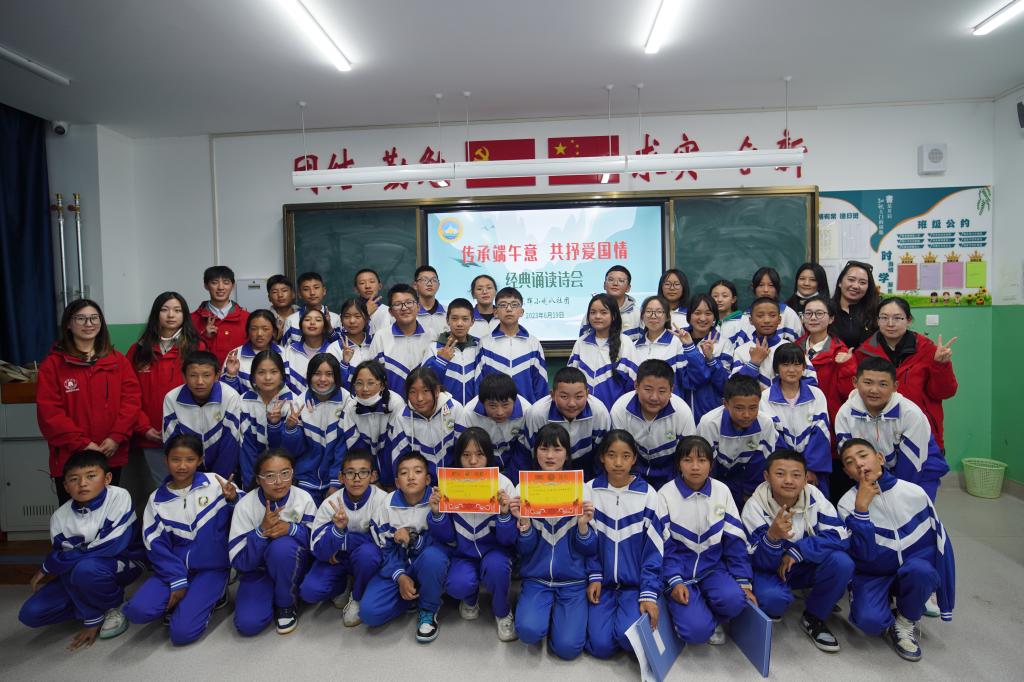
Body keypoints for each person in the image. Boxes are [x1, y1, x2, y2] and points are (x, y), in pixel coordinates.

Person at [836, 439, 955, 662]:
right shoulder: (846, 503)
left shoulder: (914, 493)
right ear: (847, 473)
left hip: (911, 568)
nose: (859, 464)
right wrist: (861, 510)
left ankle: (905, 621)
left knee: (923, 571)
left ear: (880, 458)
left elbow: (941, 547)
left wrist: (944, 599)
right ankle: (889, 609)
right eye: (850, 462)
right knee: (869, 622)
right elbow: (864, 556)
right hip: (873, 573)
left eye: (863, 455)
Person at [19, 450, 144, 649]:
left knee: (85, 569)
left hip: (126, 561)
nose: (82, 483)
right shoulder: (59, 517)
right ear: (65, 486)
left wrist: (52, 564)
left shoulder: (119, 496)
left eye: (91, 476)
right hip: (82, 570)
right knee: (30, 614)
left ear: (107, 478)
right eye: (74, 479)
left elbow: (111, 546)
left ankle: (114, 605)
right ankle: (96, 607)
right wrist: (90, 613)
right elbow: (66, 566)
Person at [121, 434, 238, 645]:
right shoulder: (156, 499)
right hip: (174, 568)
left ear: (200, 460)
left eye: (190, 459)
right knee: (137, 611)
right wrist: (177, 580)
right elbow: (155, 545)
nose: (182, 466)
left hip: (212, 567)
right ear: (166, 460)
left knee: (182, 634)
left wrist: (233, 499)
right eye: (175, 459)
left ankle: (217, 594)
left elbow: (247, 512)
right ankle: (184, 596)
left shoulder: (215, 482)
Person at [741, 449, 852, 652]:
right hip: (770, 570)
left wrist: (798, 551)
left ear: (806, 477)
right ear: (766, 476)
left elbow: (840, 536)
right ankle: (777, 603)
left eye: (796, 475)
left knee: (842, 562)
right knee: (773, 600)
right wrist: (772, 538)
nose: (789, 481)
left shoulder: (814, 495)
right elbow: (755, 561)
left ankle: (814, 616)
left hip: (804, 563)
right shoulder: (754, 506)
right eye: (780, 474)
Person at [37, 299, 142, 504]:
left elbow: (131, 402)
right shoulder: (53, 364)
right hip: (71, 457)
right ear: (68, 323)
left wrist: (116, 437)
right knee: (74, 515)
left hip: (109, 452)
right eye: (81, 318)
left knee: (109, 513)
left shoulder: (117, 361)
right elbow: (50, 413)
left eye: (94, 318)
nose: (89, 324)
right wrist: (82, 444)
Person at [511, 424, 597, 660]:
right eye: (544, 449)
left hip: (573, 582)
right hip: (536, 579)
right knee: (528, 632)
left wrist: (583, 526)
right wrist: (524, 523)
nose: (550, 456)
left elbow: (590, 548)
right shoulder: (523, 488)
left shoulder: (581, 489)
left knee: (568, 649)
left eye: (557, 449)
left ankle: (558, 619)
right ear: (535, 452)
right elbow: (524, 549)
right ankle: (540, 612)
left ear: (567, 454)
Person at [659, 436, 755, 646]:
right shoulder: (665, 495)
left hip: (712, 568)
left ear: (711, 465)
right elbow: (664, 547)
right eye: (688, 460)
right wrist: (674, 580)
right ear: (678, 464)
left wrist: (743, 580)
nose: (695, 467)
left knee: (736, 601)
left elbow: (735, 540)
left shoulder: (722, 491)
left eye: (702, 460)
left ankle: (706, 614)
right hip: (681, 572)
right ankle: (681, 609)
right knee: (696, 633)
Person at [427, 428, 518, 641]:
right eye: (466, 455)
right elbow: (445, 536)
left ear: (489, 456)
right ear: (458, 457)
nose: (473, 461)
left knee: (497, 568)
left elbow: (508, 540)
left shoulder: (503, 484)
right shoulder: (448, 483)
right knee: (457, 585)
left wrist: (504, 514)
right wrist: (437, 513)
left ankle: (502, 611)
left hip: (495, 551)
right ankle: (470, 598)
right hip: (462, 553)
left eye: (479, 454)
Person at [584, 430, 663, 658]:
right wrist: (594, 576)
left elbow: (654, 551)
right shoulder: (589, 490)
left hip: (634, 587)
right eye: (611, 455)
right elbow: (586, 541)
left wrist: (648, 593)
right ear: (602, 457)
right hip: (603, 585)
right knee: (601, 647)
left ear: (634, 459)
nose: (618, 463)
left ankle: (657, 605)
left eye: (625, 456)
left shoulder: (648, 495)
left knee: (628, 640)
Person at [361, 451, 451, 643]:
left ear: (428, 479)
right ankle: (413, 596)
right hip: (398, 565)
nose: (411, 477)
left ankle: (428, 609)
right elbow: (383, 549)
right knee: (369, 613)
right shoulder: (387, 505)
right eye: (404, 473)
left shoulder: (438, 500)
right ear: (397, 482)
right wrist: (400, 576)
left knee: (434, 557)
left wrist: (413, 540)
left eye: (417, 471)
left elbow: (447, 542)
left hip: (427, 563)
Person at [229, 448, 316, 636]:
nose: (279, 482)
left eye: (285, 473)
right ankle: (270, 594)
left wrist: (291, 529)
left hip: (292, 566)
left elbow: (316, 543)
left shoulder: (303, 498)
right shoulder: (245, 506)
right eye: (270, 476)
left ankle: (286, 603)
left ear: (293, 473)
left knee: (282, 547)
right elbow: (239, 561)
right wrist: (261, 531)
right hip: (257, 571)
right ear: (258, 479)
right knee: (248, 624)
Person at [834, 356, 948, 500]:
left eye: (883, 384)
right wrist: (868, 483)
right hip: (874, 471)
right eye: (868, 382)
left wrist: (895, 496)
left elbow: (911, 466)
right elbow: (851, 458)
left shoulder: (910, 414)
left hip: (920, 469)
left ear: (895, 386)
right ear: (855, 382)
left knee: (911, 508)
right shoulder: (845, 414)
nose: (874, 390)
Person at [854, 296, 958, 451]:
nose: (890, 323)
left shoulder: (928, 350)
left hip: (921, 431)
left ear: (908, 320)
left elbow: (944, 392)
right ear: (877, 321)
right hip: (878, 434)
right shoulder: (863, 352)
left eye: (898, 318)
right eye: (884, 318)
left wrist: (941, 365)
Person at [299, 449, 386, 627]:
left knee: (368, 554)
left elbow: (383, 544)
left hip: (361, 558)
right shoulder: (330, 503)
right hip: (337, 560)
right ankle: (343, 584)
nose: (356, 478)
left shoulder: (382, 500)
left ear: (373, 476)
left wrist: (343, 541)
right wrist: (337, 531)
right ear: (341, 477)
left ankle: (358, 595)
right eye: (350, 473)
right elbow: (317, 549)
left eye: (363, 472)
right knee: (310, 592)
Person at [127, 291, 202, 488]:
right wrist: (144, 428)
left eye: (177, 310)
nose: (171, 315)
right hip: (151, 435)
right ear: (156, 314)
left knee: (190, 488)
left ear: (184, 315)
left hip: (188, 436)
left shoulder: (196, 348)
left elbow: (204, 393)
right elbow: (128, 395)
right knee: (163, 488)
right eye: (165, 310)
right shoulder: (138, 350)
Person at [272, 353, 351, 504]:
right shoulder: (298, 403)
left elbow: (344, 447)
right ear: (309, 376)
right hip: (305, 480)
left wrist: (335, 482)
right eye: (317, 374)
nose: (322, 379)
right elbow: (293, 451)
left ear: (336, 376)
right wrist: (290, 429)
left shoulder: (347, 401)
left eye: (329, 374)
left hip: (338, 480)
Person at [759, 343, 833, 496]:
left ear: (804, 367)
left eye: (797, 364)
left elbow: (821, 433)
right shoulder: (765, 397)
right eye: (785, 365)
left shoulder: (817, 394)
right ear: (776, 368)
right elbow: (772, 436)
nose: (792, 370)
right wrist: (791, 471)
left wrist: (809, 470)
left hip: (813, 473)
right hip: (780, 472)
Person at [610, 359, 696, 490]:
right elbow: (618, 453)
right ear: (636, 386)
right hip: (632, 472)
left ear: (671, 390)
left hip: (671, 475)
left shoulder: (682, 412)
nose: (654, 397)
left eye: (662, 391)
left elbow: (687, 454)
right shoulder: (620, 409)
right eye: (648, 389)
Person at [697, 374, 777, 506]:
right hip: (715, 476)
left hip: (744, 477)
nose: (746, 415)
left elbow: (759, 463)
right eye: (739, 408)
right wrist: (712, 493)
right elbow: (706, 463)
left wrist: (749, 493)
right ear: (726, 404)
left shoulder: (766, 423)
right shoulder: (710, 423)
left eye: (753, 408)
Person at [163, 350, 243, 479]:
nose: (200, 381)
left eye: (206, 375)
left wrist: (217, 481)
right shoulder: (172, 398)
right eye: (193, 375)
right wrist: (192, 481)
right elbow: (173, 444)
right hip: (186, 474)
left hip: (223, 474)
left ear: (217, 376)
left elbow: (230, 443)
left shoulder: (230, 396)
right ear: (184, 376)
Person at [525, 367, 610, 479]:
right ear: (552, 395)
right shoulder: (537, 413)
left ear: (587, 394)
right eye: (564, 397)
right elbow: (531, 453)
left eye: (579, 397)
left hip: (586, 464)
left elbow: (602, 454)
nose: (572, 403)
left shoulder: (599, 412)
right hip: (547, 466)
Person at [340, 360, 406, 488]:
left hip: (393, 469)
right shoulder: (350, 408)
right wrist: (372, 480)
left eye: (370, 383)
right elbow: (356, 448)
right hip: (367, 474)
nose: (365, 389)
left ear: (382, 385)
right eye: (359, 383)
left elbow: (394, 445)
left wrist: (388, 481)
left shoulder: (396, 404)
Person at [391, 367, 464, 481]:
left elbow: (464, 450)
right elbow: (400, 458)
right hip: (420, 484)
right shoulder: (402, 418)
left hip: (454, 480)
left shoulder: (454, 409)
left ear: (436, 390)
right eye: (413, 392)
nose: (419, 398)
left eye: (425, 391)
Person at [477, 286, 549, 403]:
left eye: (514, 305)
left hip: (527, 410)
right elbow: (479, 382)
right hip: (494, 409)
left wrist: (538, 409)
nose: (509, 309)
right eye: (503, 305)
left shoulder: (533, 343)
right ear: (496, 312)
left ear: (521, 312)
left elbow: (540, 383)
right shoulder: (485, 343)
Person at [568, 293, 638, 411]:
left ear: (614, 316)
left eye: (603, 312)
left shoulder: (625, 342)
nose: (597, 316)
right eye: (593, 312)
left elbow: (633, 383)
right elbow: (570, 378)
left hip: (616, 412)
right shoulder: (581, 342)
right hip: (584, 412)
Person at [460, 372, 532, 484]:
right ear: (482, 402)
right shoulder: (468, 413)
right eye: (492, 406)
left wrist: (512, 480)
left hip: (514, 460)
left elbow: (523, 452)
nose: (500, 412)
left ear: (514, 400)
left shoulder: (527, 411)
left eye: (505, 405)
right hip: (483, 462)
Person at [795, 294, 856, 426]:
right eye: (808, 313)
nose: (813, 318)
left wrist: (847, 366)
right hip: (796, 417)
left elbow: (849, 394)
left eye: (819, 313)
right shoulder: (794, 348)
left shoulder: (841, 352)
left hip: (827, 420)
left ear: (831, 319)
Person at [730, 297, 816, 388]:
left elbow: (812, 380)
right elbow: (735, 386)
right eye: (760, 316)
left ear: (779, 320)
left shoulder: (792, 348)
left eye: (772, 315)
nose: (767, 320)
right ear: (751, 320)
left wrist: (776, 393)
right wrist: (754, 363)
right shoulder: (741, 351)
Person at [239, 349, 294, 489]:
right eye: (261, 372)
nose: (268, 377)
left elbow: (289, 449)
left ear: (282, 375)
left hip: (285, 478)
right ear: (253, 376)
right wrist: (251, 486)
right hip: (253, 477)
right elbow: (246, 449)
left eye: (274, 372)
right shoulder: (243, 402)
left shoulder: (293, 402)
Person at [368, 283, 433, 394]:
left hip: (424, 401)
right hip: (391, 402)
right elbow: (371, 375)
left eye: (409, 302)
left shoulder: (431, 335)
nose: (404, 308)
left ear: (418, 307)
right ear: (391, 312)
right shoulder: (381, 337)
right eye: (397, 304)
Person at [678, 294, 728, 423]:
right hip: (680, 412)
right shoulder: (676, 340)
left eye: (708, 313)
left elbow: (725, 385)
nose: (703, 318)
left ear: (714, 317)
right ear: (689, 316)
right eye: (697, 313)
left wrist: (711, 359)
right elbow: (684, 380)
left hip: (712, 414)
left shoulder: (723, 343)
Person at [422, 297, 480, 405]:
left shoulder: (479, 347)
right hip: (444, 410)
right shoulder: (434, 348)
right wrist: (440, 362)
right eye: (454, 318)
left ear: (472, 321)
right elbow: (424, 384)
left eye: (465, 319)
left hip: (473, 411)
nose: (459, 323)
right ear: (447, 320)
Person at [191, 265, 249, 366]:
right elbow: (187, 355)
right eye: (214, 282)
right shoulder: (193, 319)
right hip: (205, 375)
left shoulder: (247, 318)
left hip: (239, 374)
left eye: (226, 282)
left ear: (233, 285)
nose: (221, 287)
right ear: (206, 285)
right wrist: (205, 337)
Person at [631, 295, 686, 394]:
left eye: (659, 312)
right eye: (648, 311)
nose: (653, 316)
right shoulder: (634, 346)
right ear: (642, 316)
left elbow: (688, 380)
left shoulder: (677, 343)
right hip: (641, 401)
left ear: (667, 317)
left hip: (670, 401)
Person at [221, 309, 281, 395]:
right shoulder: (235, 355)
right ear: (248, 331)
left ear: (274, 331)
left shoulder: (284, 354)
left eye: (265, 329)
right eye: (254, 329)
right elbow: (226, 392)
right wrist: (231, 375)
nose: (259, 333)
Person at [281, 307, 335, 395]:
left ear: (324, 327)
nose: (312, 323)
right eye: (307, 319)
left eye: (318, 320)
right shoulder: (289, 351)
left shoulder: (333, 350)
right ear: (301, 326)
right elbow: (283, 383)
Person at [282, 271, 341, 347]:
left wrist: (329, 329)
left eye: (316, 288)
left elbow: (341, 347)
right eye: (306, 289)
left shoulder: (335, 318)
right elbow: (285, 351)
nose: (312, 293)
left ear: (324, 291)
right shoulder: (291, 320)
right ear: (299, 294)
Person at [831, 260, 880, 349]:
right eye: (851, 280)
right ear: (840, 282)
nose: (855, 286)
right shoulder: (826, 309)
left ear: (868, 287)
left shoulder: (876, 311)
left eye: (862, 283)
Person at [330, 297, 375, 387]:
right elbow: (332, 383)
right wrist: (344, 363)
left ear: (366, 318)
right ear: (341, 320)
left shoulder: (374, 343)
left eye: (357, 316)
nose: (352, 321)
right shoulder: (335, 348)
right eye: (347, 316)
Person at [353, 268, 393, 336]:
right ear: (356, 289)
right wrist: (366, 313)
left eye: (372, 281)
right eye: (362, 283)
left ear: (380, 286)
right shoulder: (348, 312)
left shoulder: (390, 312)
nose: (367, 286)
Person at [413, 265, 448, 341]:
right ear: (415, 285)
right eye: (425, 280)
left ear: (438, 285)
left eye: (434, 280)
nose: (429, 284)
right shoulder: (408, 313)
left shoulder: (449, 312)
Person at [266, 274, 298, 341]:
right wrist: (276, 340)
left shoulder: (304, 314)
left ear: (293, 294)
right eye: (275, 292)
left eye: (284, 290)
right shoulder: (265, 318)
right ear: (269, 297)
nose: (280, 295)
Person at [469, 274, 500, 339]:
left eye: (489, 288)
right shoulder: (467, 317)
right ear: (473, 294)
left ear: (495, 292)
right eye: (479, 289)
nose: (485, 292)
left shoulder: (504, 316)